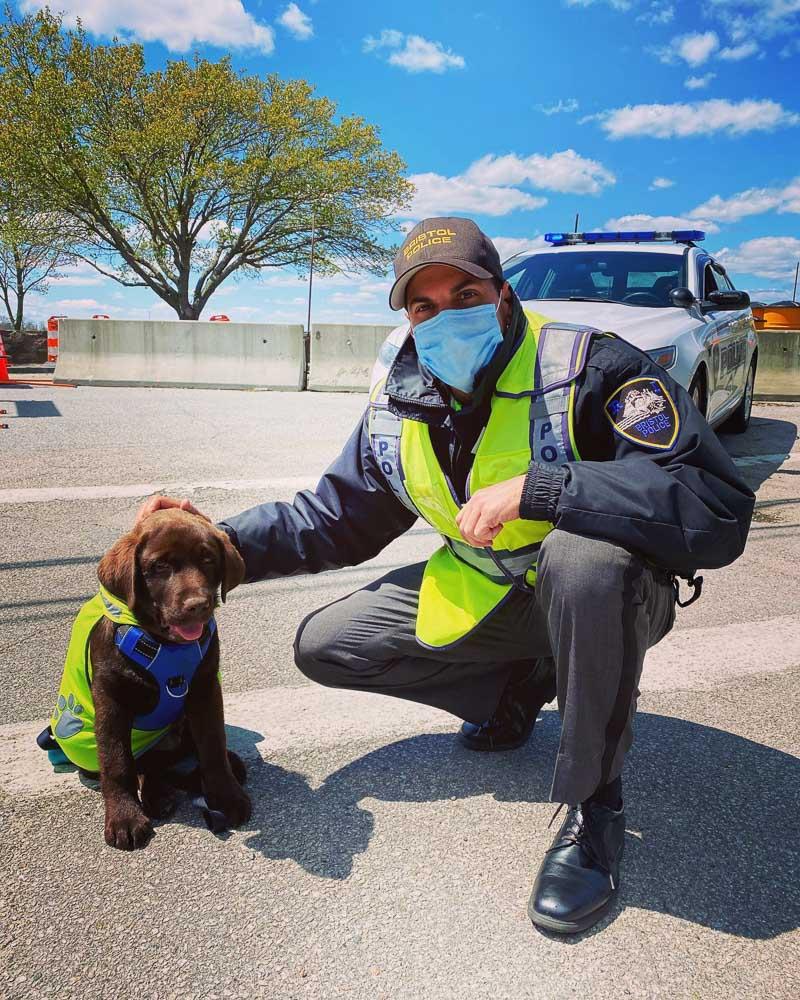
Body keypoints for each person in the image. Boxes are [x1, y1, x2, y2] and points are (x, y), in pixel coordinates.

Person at [139, 217, 755, 935]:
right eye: (423, 306)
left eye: (464, 295)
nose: (443, 317)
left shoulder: (595, 365)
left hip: (609, 592)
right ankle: (522, 688)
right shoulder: (400, 401)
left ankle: (595, 808)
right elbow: (332, 519)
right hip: (497, 592)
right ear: (408, 317)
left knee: (582, 561)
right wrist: (206, 544)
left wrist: (547, 489)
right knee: (327, 643)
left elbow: (716, 507)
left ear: (501, 296)